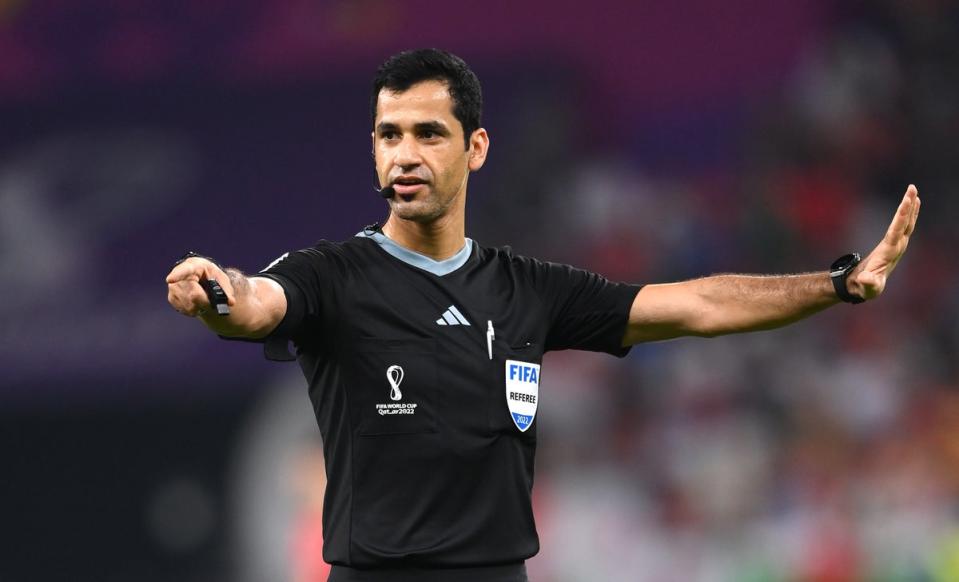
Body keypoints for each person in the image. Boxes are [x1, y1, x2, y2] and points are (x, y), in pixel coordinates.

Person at [165, 49, 921, 582]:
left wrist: (835, 284)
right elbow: (259, 305)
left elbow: (694, 304)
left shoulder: (527, 290)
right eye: (389, 135)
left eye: (429, 133)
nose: (405, 154)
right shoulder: (329, 277)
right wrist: (218, 295)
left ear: (477, 148)